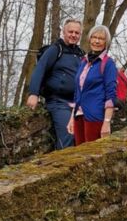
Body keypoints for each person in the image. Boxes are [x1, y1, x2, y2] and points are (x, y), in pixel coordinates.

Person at [26, 18, 85, 149]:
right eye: (70, 32)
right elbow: (39, 69)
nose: (73, 35)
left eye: (77, 33)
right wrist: (33, 93)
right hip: (59, 102)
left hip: (77, 103)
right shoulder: (55, 49)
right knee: (68, 136)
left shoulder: (81, 54)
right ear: (64, 32)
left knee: (84, 137)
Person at [68, 26, 117, 145]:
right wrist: (71, 119)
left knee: (92, 156)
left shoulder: (108, 63)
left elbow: (110, 95)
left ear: (106, 42)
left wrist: (106, 122)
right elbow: (77, 91)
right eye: (94, 37)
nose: (96, 41)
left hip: (95, 116)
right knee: (78, 154)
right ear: (89, 39)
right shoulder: (83, 61)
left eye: (101, 38)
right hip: (78, 115)